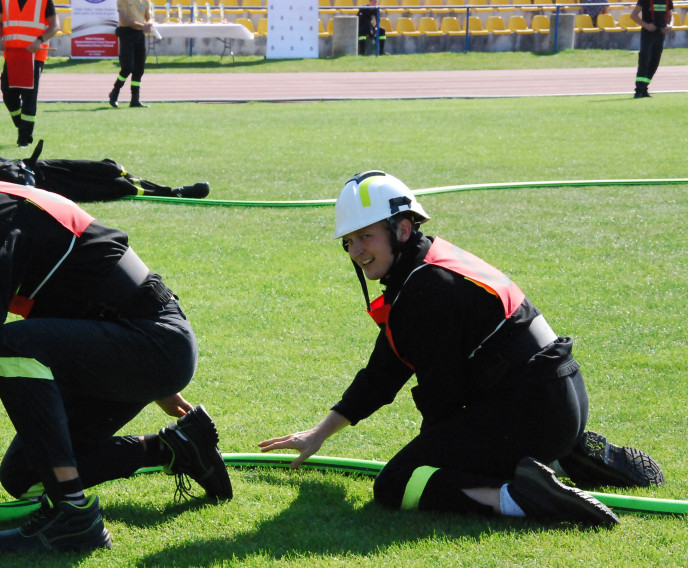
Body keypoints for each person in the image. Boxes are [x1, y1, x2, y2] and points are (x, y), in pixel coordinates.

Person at [0, 118, 232, 554]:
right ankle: (177, 448)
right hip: (145, 341)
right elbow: (93, 288)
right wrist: (154, 377)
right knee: (23, 475)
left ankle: (74, 518)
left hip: (150, 342)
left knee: (8, 344)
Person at [259, 171, 664, 528]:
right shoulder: (426, 269)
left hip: (535, 410)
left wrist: (432, 460)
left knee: (397, 483)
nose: (356, 251)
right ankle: (564, 455)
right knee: (434, 459)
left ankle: (525, 496)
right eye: (348, 241)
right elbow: (384, 372)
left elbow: (443, 401)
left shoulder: (426, 289)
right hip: (558, 397)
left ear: (401, 228)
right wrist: (319, 434)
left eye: (366, 236)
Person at [0, 142, 210, 202]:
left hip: (34, 166)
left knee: (108, 167)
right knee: (117, 186)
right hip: (39, 187)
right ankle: (171, 193)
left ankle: (154, 186)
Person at [0, 0, 60, 147]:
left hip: (34, 54)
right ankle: (21, 125)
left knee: (29, 96)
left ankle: (24, 139)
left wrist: (40, 40)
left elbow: (55, 26)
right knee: (8, 93)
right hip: (12, 53)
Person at [107, 0, 153, 108]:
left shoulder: (145, 1)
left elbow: (149, 16)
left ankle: (135, 99)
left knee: (139, 69)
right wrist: (143, 26)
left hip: (139, 34)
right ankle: (115, 92)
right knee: (127, 67)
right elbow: (124, 19)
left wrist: (149, 22)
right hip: (126, 33)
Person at [630, 0, 673, 98]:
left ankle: (644, 88)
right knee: (644, 61)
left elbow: (670, 16)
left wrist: (669, 25)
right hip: (648, 35)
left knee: (654, 62)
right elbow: (633, 15)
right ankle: (639, 91)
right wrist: (646, 26)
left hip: (660, 34)